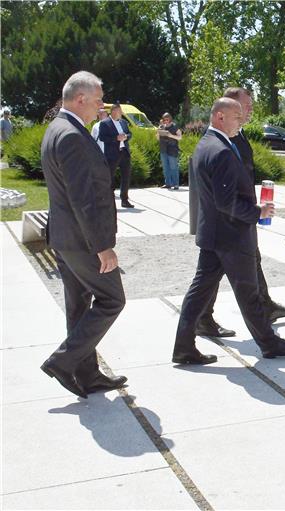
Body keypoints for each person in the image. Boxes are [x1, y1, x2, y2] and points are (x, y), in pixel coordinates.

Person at [172, 97, 285, 365]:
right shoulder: (220, 150)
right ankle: (269, 344)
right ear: (220, 116)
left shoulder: (206, 145)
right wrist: (258, 213)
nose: (241, 120)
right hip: (231, 236)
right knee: (249, 293)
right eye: (237, 116)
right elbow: (226, 201)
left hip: (213, 234)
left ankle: (183, 346)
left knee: (199, 293)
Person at [39, 71, 127, 398]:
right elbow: (83, 198)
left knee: (79, 306)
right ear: (80, 99)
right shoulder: (72, 135)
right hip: (81, 241)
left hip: (65, 238)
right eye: (98, 99)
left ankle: (87, 374)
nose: (102, 106)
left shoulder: (58, 129)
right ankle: (63, 362)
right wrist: (103, 247)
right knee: (112, 300)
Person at [99, 103, 134, 208]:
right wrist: (116, 138)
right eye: (120, 111)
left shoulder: (123, 122)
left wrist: (126, 137)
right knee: (109, 177)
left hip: (124, 152)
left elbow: (129, 134)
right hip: (112, 154)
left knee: (126, 177)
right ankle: (108, 200)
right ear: (113, 111)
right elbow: (102, 137)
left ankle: (124, 200)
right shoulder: (105, 123)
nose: (121, 113)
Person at [157, 112, 182, 190]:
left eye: (167, 119)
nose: (165, 121)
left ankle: (176, 184)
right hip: (163, 149)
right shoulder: (161, 126)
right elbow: (157, 138)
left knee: (173, 167)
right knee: (165, 167)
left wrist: (170, 135)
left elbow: (180, 137)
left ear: (170, 119)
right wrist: (159, 131)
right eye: (164, 119)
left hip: (172, 149)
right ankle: (168, 183)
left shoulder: (174, 126)